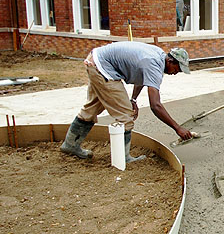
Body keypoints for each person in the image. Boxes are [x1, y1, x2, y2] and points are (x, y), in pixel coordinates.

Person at [60, 42, 194, 162]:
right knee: (126, 116)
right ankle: (123, 158)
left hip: (96, 61)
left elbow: (142, 77)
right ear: (170, 61)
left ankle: (70, 145)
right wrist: (178, 128)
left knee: (92, 109)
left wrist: (133, 99)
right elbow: (155, 105)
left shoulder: (158, 55)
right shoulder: (154, 65)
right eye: (177, 69)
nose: (176, 73)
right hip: (104, 70)